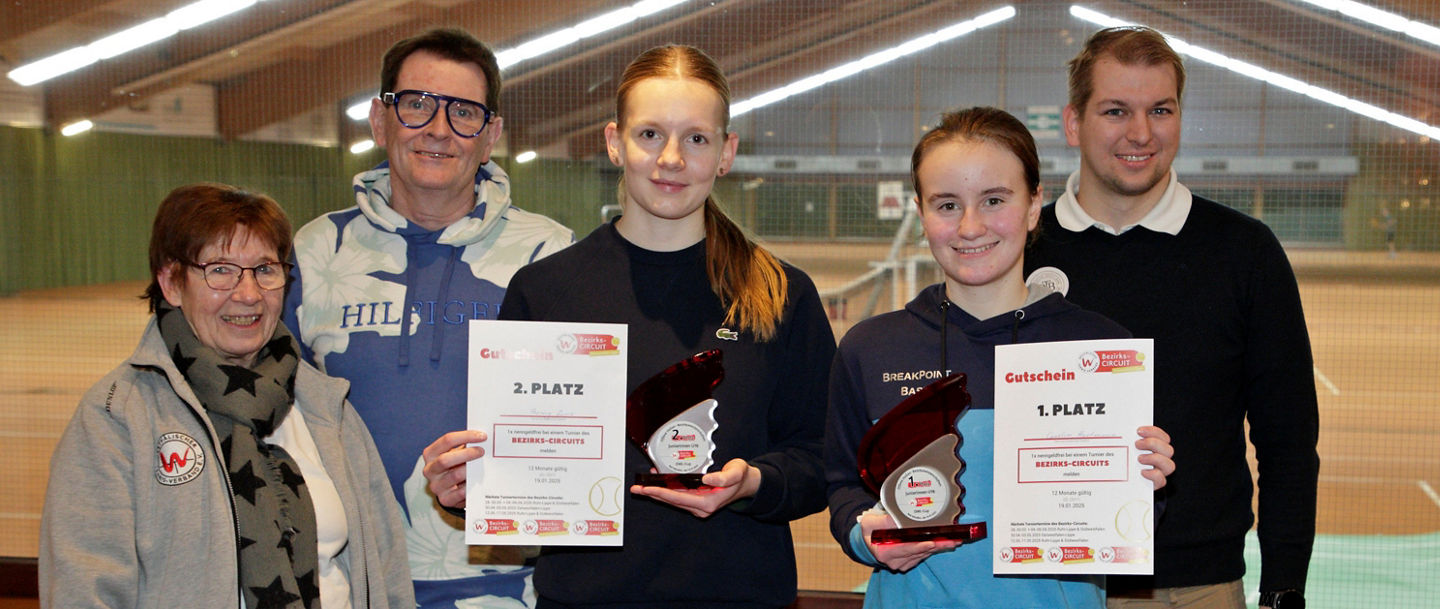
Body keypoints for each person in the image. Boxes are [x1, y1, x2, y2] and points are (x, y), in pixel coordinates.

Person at [422, 44, 836, 608]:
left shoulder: (779, 294)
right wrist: (464, 490)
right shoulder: (544, 290)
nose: (672, 158)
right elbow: (514, 466)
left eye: (696, 137)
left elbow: (821, 456)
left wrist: (754, 483)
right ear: (615, 142)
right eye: (650, 135)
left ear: (726, 152)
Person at [825, 106, 1176, 608]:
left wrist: (1147, 483)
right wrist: (868, 539)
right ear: (921, 212)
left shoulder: (1101, 352)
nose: (970, 226)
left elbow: (1123, 522)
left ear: (1035, 205)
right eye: (946, 204)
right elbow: (842, 487)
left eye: (993, 200)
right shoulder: (869, 349)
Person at [1024, 26, 1320, 609]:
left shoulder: (1245, 251)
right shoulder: (1022, 251)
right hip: (1044, 583)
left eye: (1160, 109)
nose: (1141, 133)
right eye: (1116, 111)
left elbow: (1287, 440)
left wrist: (1284, 586)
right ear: (1073, 123)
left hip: (1197, 586)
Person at [282, 28, 574, 608]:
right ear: (379, 119)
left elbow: (578, 435)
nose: (438, 129)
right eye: (416, 104)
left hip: (510, 590)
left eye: (464, 112)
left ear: (490, 136)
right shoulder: (315, 251)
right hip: (347, 581)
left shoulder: (553, 254)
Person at [40, 183, 413, 609]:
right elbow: (82, 592)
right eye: (220, 270)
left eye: (265, 269)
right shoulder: (117, 416)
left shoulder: (325, 404)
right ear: (171, 282)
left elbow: (387, 571)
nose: (249, 294)